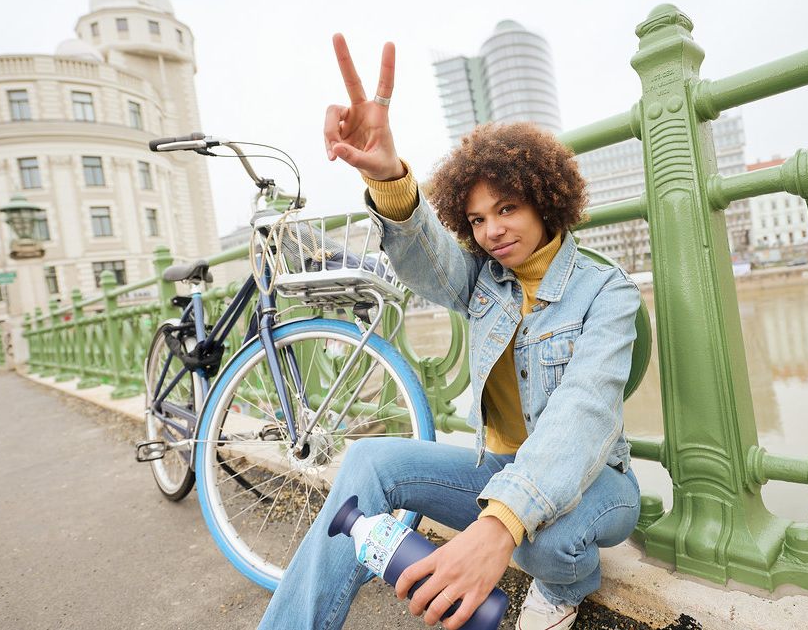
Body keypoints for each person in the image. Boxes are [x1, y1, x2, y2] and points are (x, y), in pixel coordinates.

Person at [257, 34, 641, 630]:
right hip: (499, 471)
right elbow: (426, 259)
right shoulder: (487, 280)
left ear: (545, 200)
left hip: (600, 483)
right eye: (478, 218)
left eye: (508, 208)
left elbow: (585, 411)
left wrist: (500, 524)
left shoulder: (606, 290)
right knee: (368, 462)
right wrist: (389, 178)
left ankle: (569, 586)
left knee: (542, 540)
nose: (492, 231)